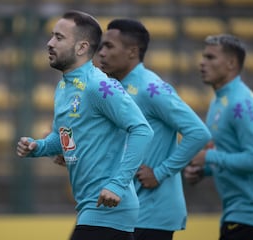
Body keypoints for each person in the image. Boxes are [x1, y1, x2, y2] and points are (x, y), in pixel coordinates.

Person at [16, 10, 154, 240]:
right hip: (90, 207)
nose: (49, 43)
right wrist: (38, 147)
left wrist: (117, 184)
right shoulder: (63, 88)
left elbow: (142, 130)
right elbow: (66, 137)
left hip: (108, 208)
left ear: (81, 48)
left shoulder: (98, 86)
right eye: (51, 36)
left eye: (59, 38)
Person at [97, 19, 212, 240]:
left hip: (151, 215)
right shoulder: (114, 88)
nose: (101, 53)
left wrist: (160, 172)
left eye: (109, 46)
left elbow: (198, 132)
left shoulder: (151, 88)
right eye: (101, 46)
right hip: (125, 211)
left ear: (132, 52)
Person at [184, 34, 253, 240]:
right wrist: (203, 170)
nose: (202, 62)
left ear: (231, 63)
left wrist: (208, 158)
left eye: (210, 57)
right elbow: (231, 153)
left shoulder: (241, 103)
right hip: (240, 213)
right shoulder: (220, 100)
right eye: (203, 56)